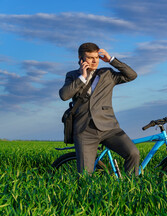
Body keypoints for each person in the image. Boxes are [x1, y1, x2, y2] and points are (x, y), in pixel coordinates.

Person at [59, 42, 140, 176]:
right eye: (90, 57)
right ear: (81, 59)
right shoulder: (73, 75)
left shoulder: (107, 74)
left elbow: (131, 75)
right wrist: (82, 77)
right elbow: (64, 95)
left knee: (133, 153)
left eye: (96, 57)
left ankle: (130, 188)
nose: (95, 60)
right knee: (85, 174)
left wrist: (111, 60)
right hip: (85, 131)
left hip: (110, 128)